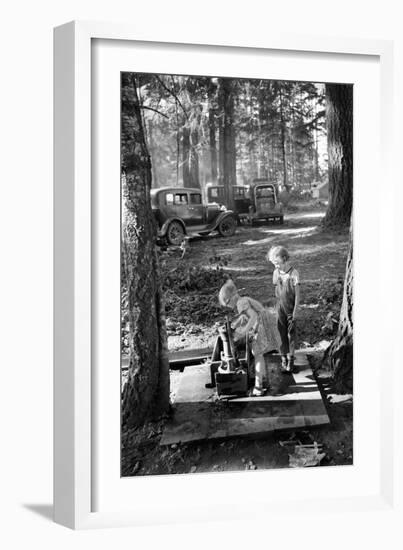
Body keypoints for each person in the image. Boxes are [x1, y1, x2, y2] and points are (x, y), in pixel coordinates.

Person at [218, 280, 279, 396]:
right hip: (266, 323)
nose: (229, 308)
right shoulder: (242, 301)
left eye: (227, 305)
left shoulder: (241, 303)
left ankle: (258, 386)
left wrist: (243, 331)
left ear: (230, 299)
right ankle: (262, 379)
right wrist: (234, 326)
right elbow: (243, 317)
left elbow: (253, 317)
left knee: (257, 354)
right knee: (258, 353)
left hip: (263, 325)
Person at [267, 246, 300, 373]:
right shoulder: (276, 273)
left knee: (291, 334)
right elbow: (276, 286)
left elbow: (298, 295)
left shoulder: (294, 274)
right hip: (280, 308)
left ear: (285, 259)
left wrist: (296, 310)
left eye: (277, 263)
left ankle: (291, 359)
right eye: (273, 264)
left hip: (291, 308)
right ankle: (283, 358)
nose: (276, 266)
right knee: (280, 334)